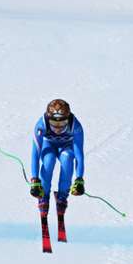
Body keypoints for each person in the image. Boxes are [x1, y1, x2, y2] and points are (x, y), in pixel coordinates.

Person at [29, 99, 84, 249]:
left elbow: (79, 154)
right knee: (49, 160)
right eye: (54, 123)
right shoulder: (41, 125)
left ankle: (62, 198)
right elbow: (35, 153)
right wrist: (35, 180)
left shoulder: (76, 126)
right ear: (48, 118)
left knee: (67, 160)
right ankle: (44, 196)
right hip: (49, 147)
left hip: (67, 147)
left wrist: (79, 179)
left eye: (62, 123)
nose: (58, 128)